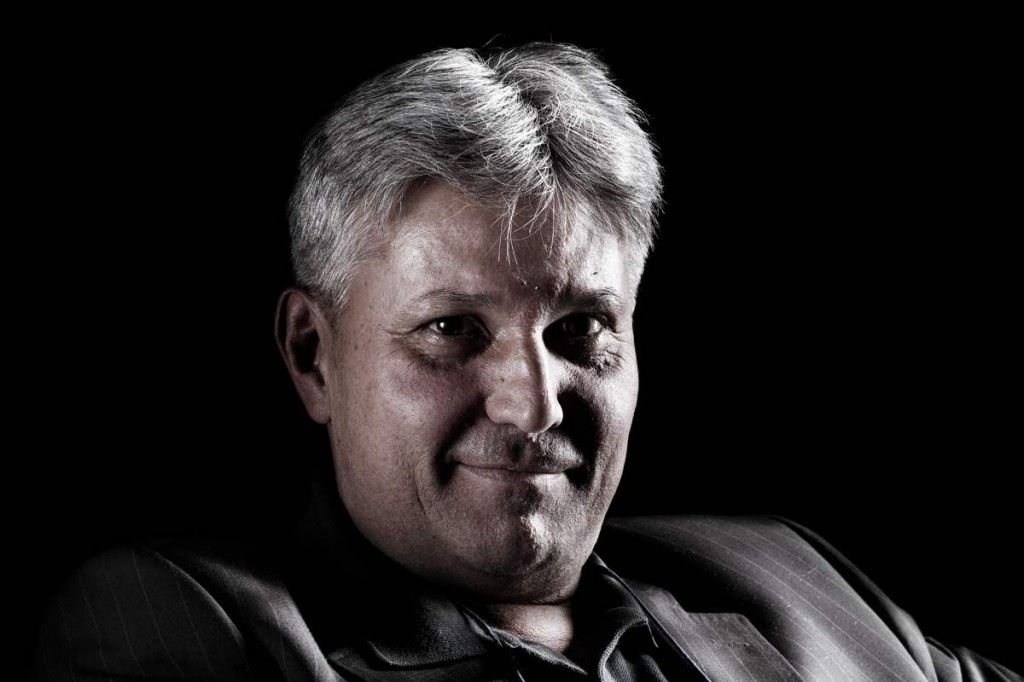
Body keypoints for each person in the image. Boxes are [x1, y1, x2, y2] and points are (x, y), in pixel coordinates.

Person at [34, 42, 1019, 682]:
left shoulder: (793, 571)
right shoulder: (188, 625)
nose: (535, 401)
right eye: (452, 329)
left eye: (581, 327)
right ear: (311, 357)